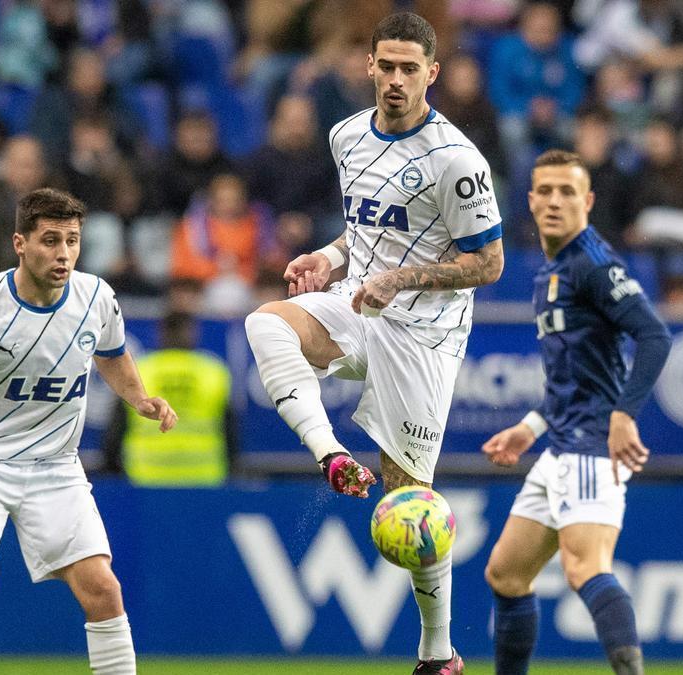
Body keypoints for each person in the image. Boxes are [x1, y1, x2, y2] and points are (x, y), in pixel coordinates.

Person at [244, 13, 504, 675]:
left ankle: (436, 652)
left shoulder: (457, 161)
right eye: (385, 66)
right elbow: (366, 228)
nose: (394, 79)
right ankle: (330, 453)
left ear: (432, 74)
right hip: (361, 303)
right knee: (265, 323)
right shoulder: (347, 135)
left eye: (408, 68)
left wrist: (403, 279)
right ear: (368, 66)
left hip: (424, 332)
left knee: (408, 500)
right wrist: (329, 257)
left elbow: (491, 264)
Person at [0, 187, 178, 674]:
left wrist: (140, 398)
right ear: (20, 244)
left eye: (72, 240)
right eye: (50, 240)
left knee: (104, 589)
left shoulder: (96, 297)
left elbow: (112, 355)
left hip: (55, 468)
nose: (64, 253)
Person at [481, 150, 672, 675]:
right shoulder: (553, 270)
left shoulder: (594, 264)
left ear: (587, 201)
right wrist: (529, 427)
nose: (554, 201)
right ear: (530, 200)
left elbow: (655, 335)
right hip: (560, 443)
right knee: (505, 573)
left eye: (567, 192)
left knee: (584, 567)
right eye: (545, 191)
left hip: (591, 447)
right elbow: (572, 378)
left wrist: (624, 415)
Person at [104, 311, 232, 486]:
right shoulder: (213, 370)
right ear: (193, 333)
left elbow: (116, 430)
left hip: (146, 475)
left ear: (160, 334)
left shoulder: (140, 370)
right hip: (202, 475)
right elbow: (230, 430)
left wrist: (114, 472)